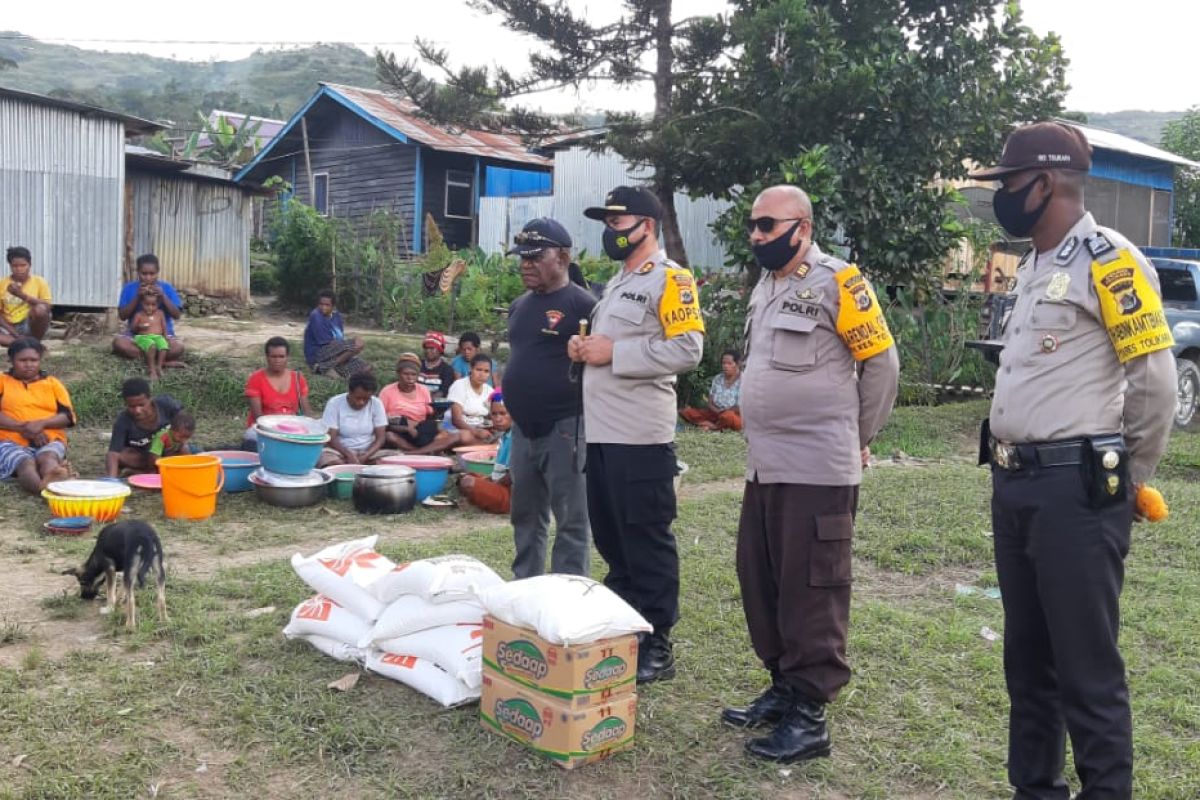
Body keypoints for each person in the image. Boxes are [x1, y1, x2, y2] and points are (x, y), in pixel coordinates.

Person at [969, 122, 1176, 798]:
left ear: (1046, 183)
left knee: (1086, 670)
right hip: (1015, 484)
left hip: (1076, 492)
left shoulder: (1107, 260)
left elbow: (1155, 381)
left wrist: (1126, 483)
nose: (1001, 197)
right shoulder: (1033, 265)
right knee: (1027, 667)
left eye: (1009, 185)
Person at [722, 185, 900, 764]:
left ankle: (810, 715)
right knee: (763, 577)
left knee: (811, 589)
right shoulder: (768, 286)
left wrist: (856, 440)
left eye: (767, 225)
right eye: (753, 226)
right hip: (765, 465)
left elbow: (881, 364)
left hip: (817, 468)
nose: (756, 236)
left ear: (802, 225)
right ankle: (782, 687)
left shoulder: (840, 281)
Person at [568, 185, 705, 684]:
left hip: (640, 438)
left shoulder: (671, 279)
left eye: (618, 223)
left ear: (647, 225)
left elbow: (689, 349)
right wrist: (585, 350)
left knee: (645, 540)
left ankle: (657, 643)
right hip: (603, 435)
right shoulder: (617, 282)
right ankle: (626, 628)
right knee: (611, 537)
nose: (610, 231)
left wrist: (614, 354)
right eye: (606, 223)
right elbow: (608, 345)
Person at [503, 217, 596, 579]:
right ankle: (525, 591)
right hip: (523, 430)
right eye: (522, 258)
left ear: (563, 256)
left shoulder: (583, 306)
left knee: (571, 520)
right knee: (525, 517)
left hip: (566, 428)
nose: (526, 264)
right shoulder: (519, 306)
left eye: (535, 257)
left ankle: (568, 599)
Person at [0, 337, 75, 493]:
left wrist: (41, 424)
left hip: (49, 438)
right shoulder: (2, 381)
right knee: (25, 462)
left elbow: (67, 416)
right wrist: (24, 428)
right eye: (23, 360)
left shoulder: (53, 384)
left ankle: (55, 477)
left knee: (48, 458)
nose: (29, 365)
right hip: (9, 439)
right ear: (11, 360)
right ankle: (43, 490)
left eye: (34, 360)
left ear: (40, 360)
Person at [113, 254, 185, 367]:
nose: (148, 278)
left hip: (163, 335)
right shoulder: (129, 288)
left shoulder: (167, 288)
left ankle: (150, 357)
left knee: (178, 347)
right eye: (144, 274)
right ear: (138, 272)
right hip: (136, 335)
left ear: (158, 272)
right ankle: (161, 360)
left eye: (152, 274)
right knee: (119, 343)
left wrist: (163, 296)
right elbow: (122, 316)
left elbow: (176, 315)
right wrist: (137, 296)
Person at [379, 352, 458, 454]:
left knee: (442, 431)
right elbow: (380, 419)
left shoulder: (423, 390)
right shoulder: (387, 391)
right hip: (399, 430)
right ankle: (420, 452)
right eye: (406, 374)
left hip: (421, 430)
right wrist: (406, 428)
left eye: (414, 374)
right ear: (398, 373)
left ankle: (414, 451)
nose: (410, 378)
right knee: (390, 436)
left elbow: (429, 414)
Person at [243, 336, 314, 447]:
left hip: (291, 428)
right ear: (267, 357)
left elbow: (307, 413)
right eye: (273, 356)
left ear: (287, 357)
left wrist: (312, 429)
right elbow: (258, 417)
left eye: (281, 356)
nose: (277, 361)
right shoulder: (256, 379)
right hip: (264, 429)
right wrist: (279, 434)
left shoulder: (298, 378)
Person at [106, 378, 184, 477]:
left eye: (141, 405)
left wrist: (177, 439)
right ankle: (152, 471)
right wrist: (111, 480)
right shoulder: (123, 421)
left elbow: (183, 421)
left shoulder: (166, 404)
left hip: (169, 451)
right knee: (123, 457)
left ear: (150, 399)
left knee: (188, 450)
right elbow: (113, 453)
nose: (137, 410)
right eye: (131, 406)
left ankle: (149, 472)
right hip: (143, 456)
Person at [317, 371, 390, 467]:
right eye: (358, 398)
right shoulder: (334, 403)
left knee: (395, 459)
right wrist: (348, 454)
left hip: (368, 451)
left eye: (366, 399)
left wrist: (365, 456)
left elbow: (380, 438)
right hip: (339, 451)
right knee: (328, 460)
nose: (361, 403)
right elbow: (331, 438)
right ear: (349, 392)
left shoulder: (376, 403)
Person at [458, 391, 513, 514]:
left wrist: (493, 483)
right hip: (502, 485)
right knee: (465, 477)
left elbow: (514, 475)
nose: (498, 418)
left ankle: (485, 499)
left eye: (503, 413)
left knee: (468, 483)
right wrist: (489, 480)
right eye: (494, 414)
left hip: (515, 496)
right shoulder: (505, 436)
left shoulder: (519, 437)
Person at [303, 290, 369, 379]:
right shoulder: (316, 316)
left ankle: (324, 368)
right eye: (321, 304)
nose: (323, 307)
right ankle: (326, 367)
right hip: (319, 353)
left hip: (334, 354)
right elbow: (328, 343)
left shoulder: (336, 316)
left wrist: (354, 343)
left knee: (366, 368)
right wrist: (354, 343)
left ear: (333, 306)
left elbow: (340, 340)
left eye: (327, 305)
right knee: (354, 344)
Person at [0, 247, 52, 347]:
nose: (19, 269)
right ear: (10, 266)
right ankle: (26, 343)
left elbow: (47, 307)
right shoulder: (2, 284)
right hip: (8, 327)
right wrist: (14, 333)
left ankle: (33, 342)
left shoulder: (39, 282)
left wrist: (21, 295)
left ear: (30, 265)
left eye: (23, 265)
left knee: (40, 309)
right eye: (15, 266)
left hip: (29, 325)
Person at [681, 349, 743, 432]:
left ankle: (712, 427)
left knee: (727, 417)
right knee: (686, 412)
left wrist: (724, 412)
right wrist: (717, 411)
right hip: (715, 413)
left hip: (733, 415)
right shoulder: (718, 378)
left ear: (737, 364)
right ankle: (714, 425)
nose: (725, 366)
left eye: (729, 363)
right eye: (723, 363)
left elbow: (741, 407)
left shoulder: (745, 380)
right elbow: (710, 402)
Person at [446, 354, 499, 445]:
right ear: (470, 369)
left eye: (486, 371)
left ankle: (487, 447)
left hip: (480, 428)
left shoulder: (489, 391)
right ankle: (487, 448)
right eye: (478, 370)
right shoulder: (459, 385)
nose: (482, 374)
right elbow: (456, 420)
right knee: (465, 436)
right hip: (457, 428)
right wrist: (475, 432)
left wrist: (494, 426)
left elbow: (494, 414)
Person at [130, 290, 170, 380]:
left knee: (164, 346)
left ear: (158, 304)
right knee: (151, 346)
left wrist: (165, 336)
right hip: (143, 337)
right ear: (142, 303)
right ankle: (151, 369)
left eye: (153, 305)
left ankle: (159, 366)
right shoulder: (139, 315)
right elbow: (132, 328)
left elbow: (164, 326)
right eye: (147, 305)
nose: (150, 308)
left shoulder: (160, 313)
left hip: (158, 337)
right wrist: (139, 326)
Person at [418, 331, 456, 399]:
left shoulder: (447, 370)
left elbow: (443, 391)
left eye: (432, 348)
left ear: (440, 350)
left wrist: (427, 400)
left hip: (435, 405)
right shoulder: (417, 364)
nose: (428, 351)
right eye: (426, 348)